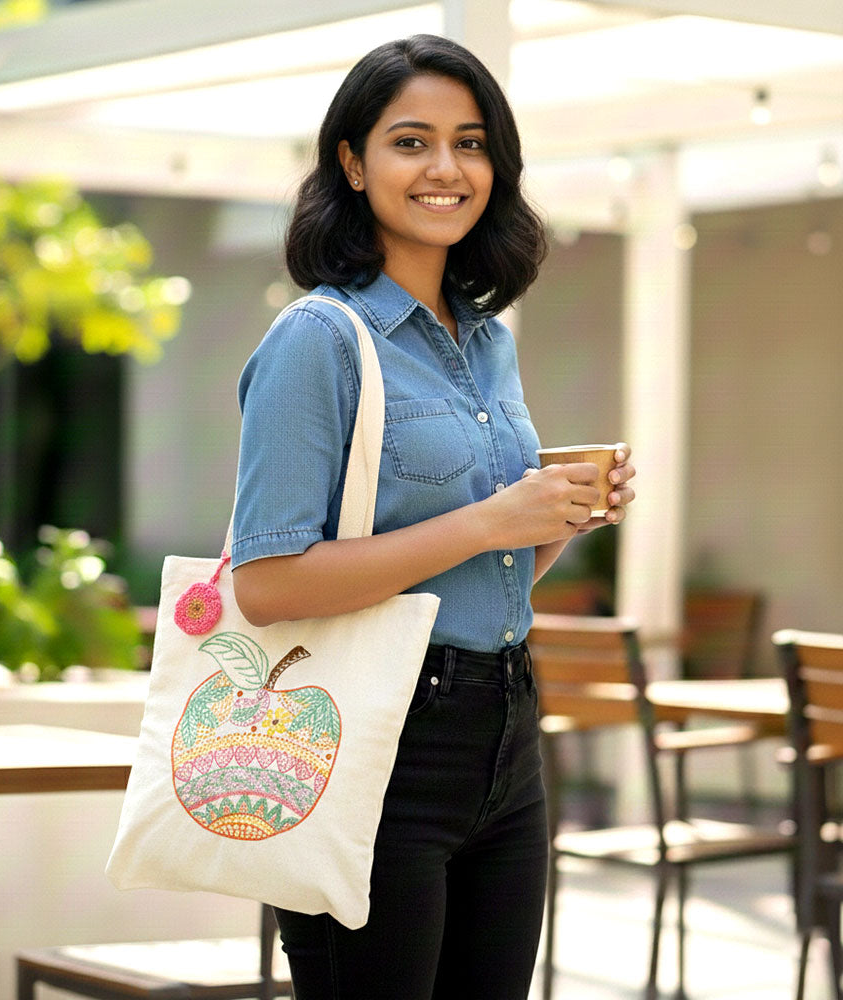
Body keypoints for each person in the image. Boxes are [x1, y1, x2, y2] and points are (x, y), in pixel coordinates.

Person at [230, 33, 635, 1000]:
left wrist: (557, 520)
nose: (447, 168)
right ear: (352, 163)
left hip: (508, 732)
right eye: (411, 142)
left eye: (472, 142)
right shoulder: (317, 340)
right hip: (374, 739)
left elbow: (476, 576)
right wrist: (493, 520)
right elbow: (266, 583)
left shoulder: (487, 341)